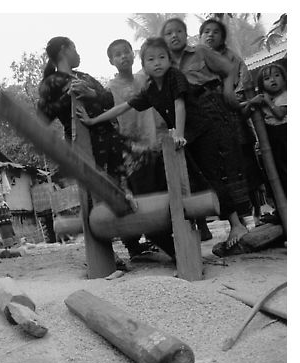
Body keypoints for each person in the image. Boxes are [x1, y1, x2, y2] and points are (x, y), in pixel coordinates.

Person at [77, 37, 248, 250]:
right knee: (187, 183)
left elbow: (180, 105)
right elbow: (123, 108)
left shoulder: (174, 77)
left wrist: (178, 133)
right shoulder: (150, 89)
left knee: (210, 175)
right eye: (151, 59)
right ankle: (177, 236)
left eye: (161, 57)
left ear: (169, 60)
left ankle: (236, 224)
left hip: (199, 133)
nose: (157, 63)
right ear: (145, 64)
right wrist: (94, 120)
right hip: (177, 139)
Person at [160, 18, 251, 249]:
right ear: (163, 39)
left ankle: (240, 223)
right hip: (187, 118)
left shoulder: (200, 51)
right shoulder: (164, 65)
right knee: (203, 171)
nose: (175, 36)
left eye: (179, 31)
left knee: (226, 162)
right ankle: (227, 223)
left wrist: (229, 91)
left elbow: (229, 69)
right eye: (169, 32)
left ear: (185, 33)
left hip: (211, 105)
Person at [37, 36, 142, 192]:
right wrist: (68, 96)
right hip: (83, 146)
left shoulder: (84, 77)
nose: (78, 54)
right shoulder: (51, 82)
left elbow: (108, 101)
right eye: (75, 49)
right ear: (64, 50)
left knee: (122, 188)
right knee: (96, 195)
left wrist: (92, 93)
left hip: (111, 142)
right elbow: (43, 117)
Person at [105, 39, 175, 257]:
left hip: (156, 143)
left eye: (126, 52)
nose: (123, 56)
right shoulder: (109, 89)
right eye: (117, 54)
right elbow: (112, 121)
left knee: (164, 192)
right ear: (111, 61)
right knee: (141, 198)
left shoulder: (145, 78)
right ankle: (150, 246)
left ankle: (171, 240)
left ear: (133, 55)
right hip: (132, 152)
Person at [199, 18, 266, 226]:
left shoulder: (233, 59)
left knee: (248, 170)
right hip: (211, 129)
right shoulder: (194, 60)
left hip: (236, 123)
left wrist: (239, 102)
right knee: (223, 175)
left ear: (223, 38)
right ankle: (236, 223)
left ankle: (257, 213)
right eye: (206, 31)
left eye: (215, 32)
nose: (210, 35)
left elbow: (242, 89)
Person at [243, 64, 287, 196]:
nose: (273, 80)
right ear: (262, 84)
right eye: (267, 78)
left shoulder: (286, 96)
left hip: (285, 134)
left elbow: (279, 114)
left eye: (277, 75)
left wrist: (268, 102)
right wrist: (251, 103)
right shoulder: (262, 99)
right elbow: (245, 114)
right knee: (278, 171)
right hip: (271, 138)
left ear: (284, 79)